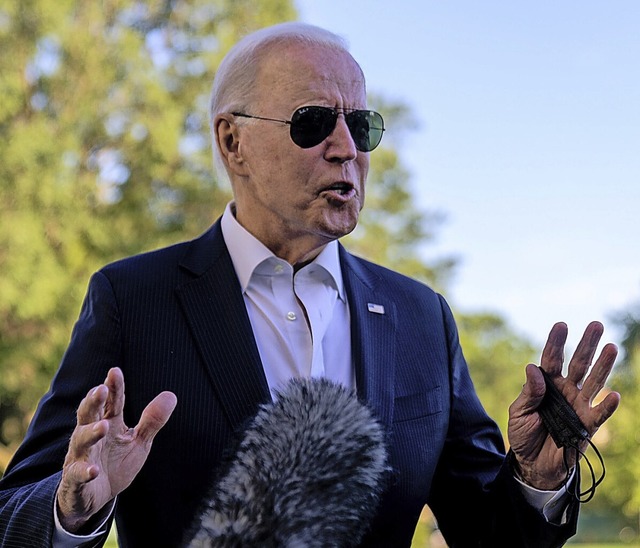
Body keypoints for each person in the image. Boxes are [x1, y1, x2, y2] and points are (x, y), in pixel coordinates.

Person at [0, 21, 620, 547]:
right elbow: (15, 514)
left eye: (362, 125)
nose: (346, 148)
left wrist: (537, 481)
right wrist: (73, 510)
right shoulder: (135, 301)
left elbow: (493, 534)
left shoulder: (420, 317)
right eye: (313, 122)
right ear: (232, 141)